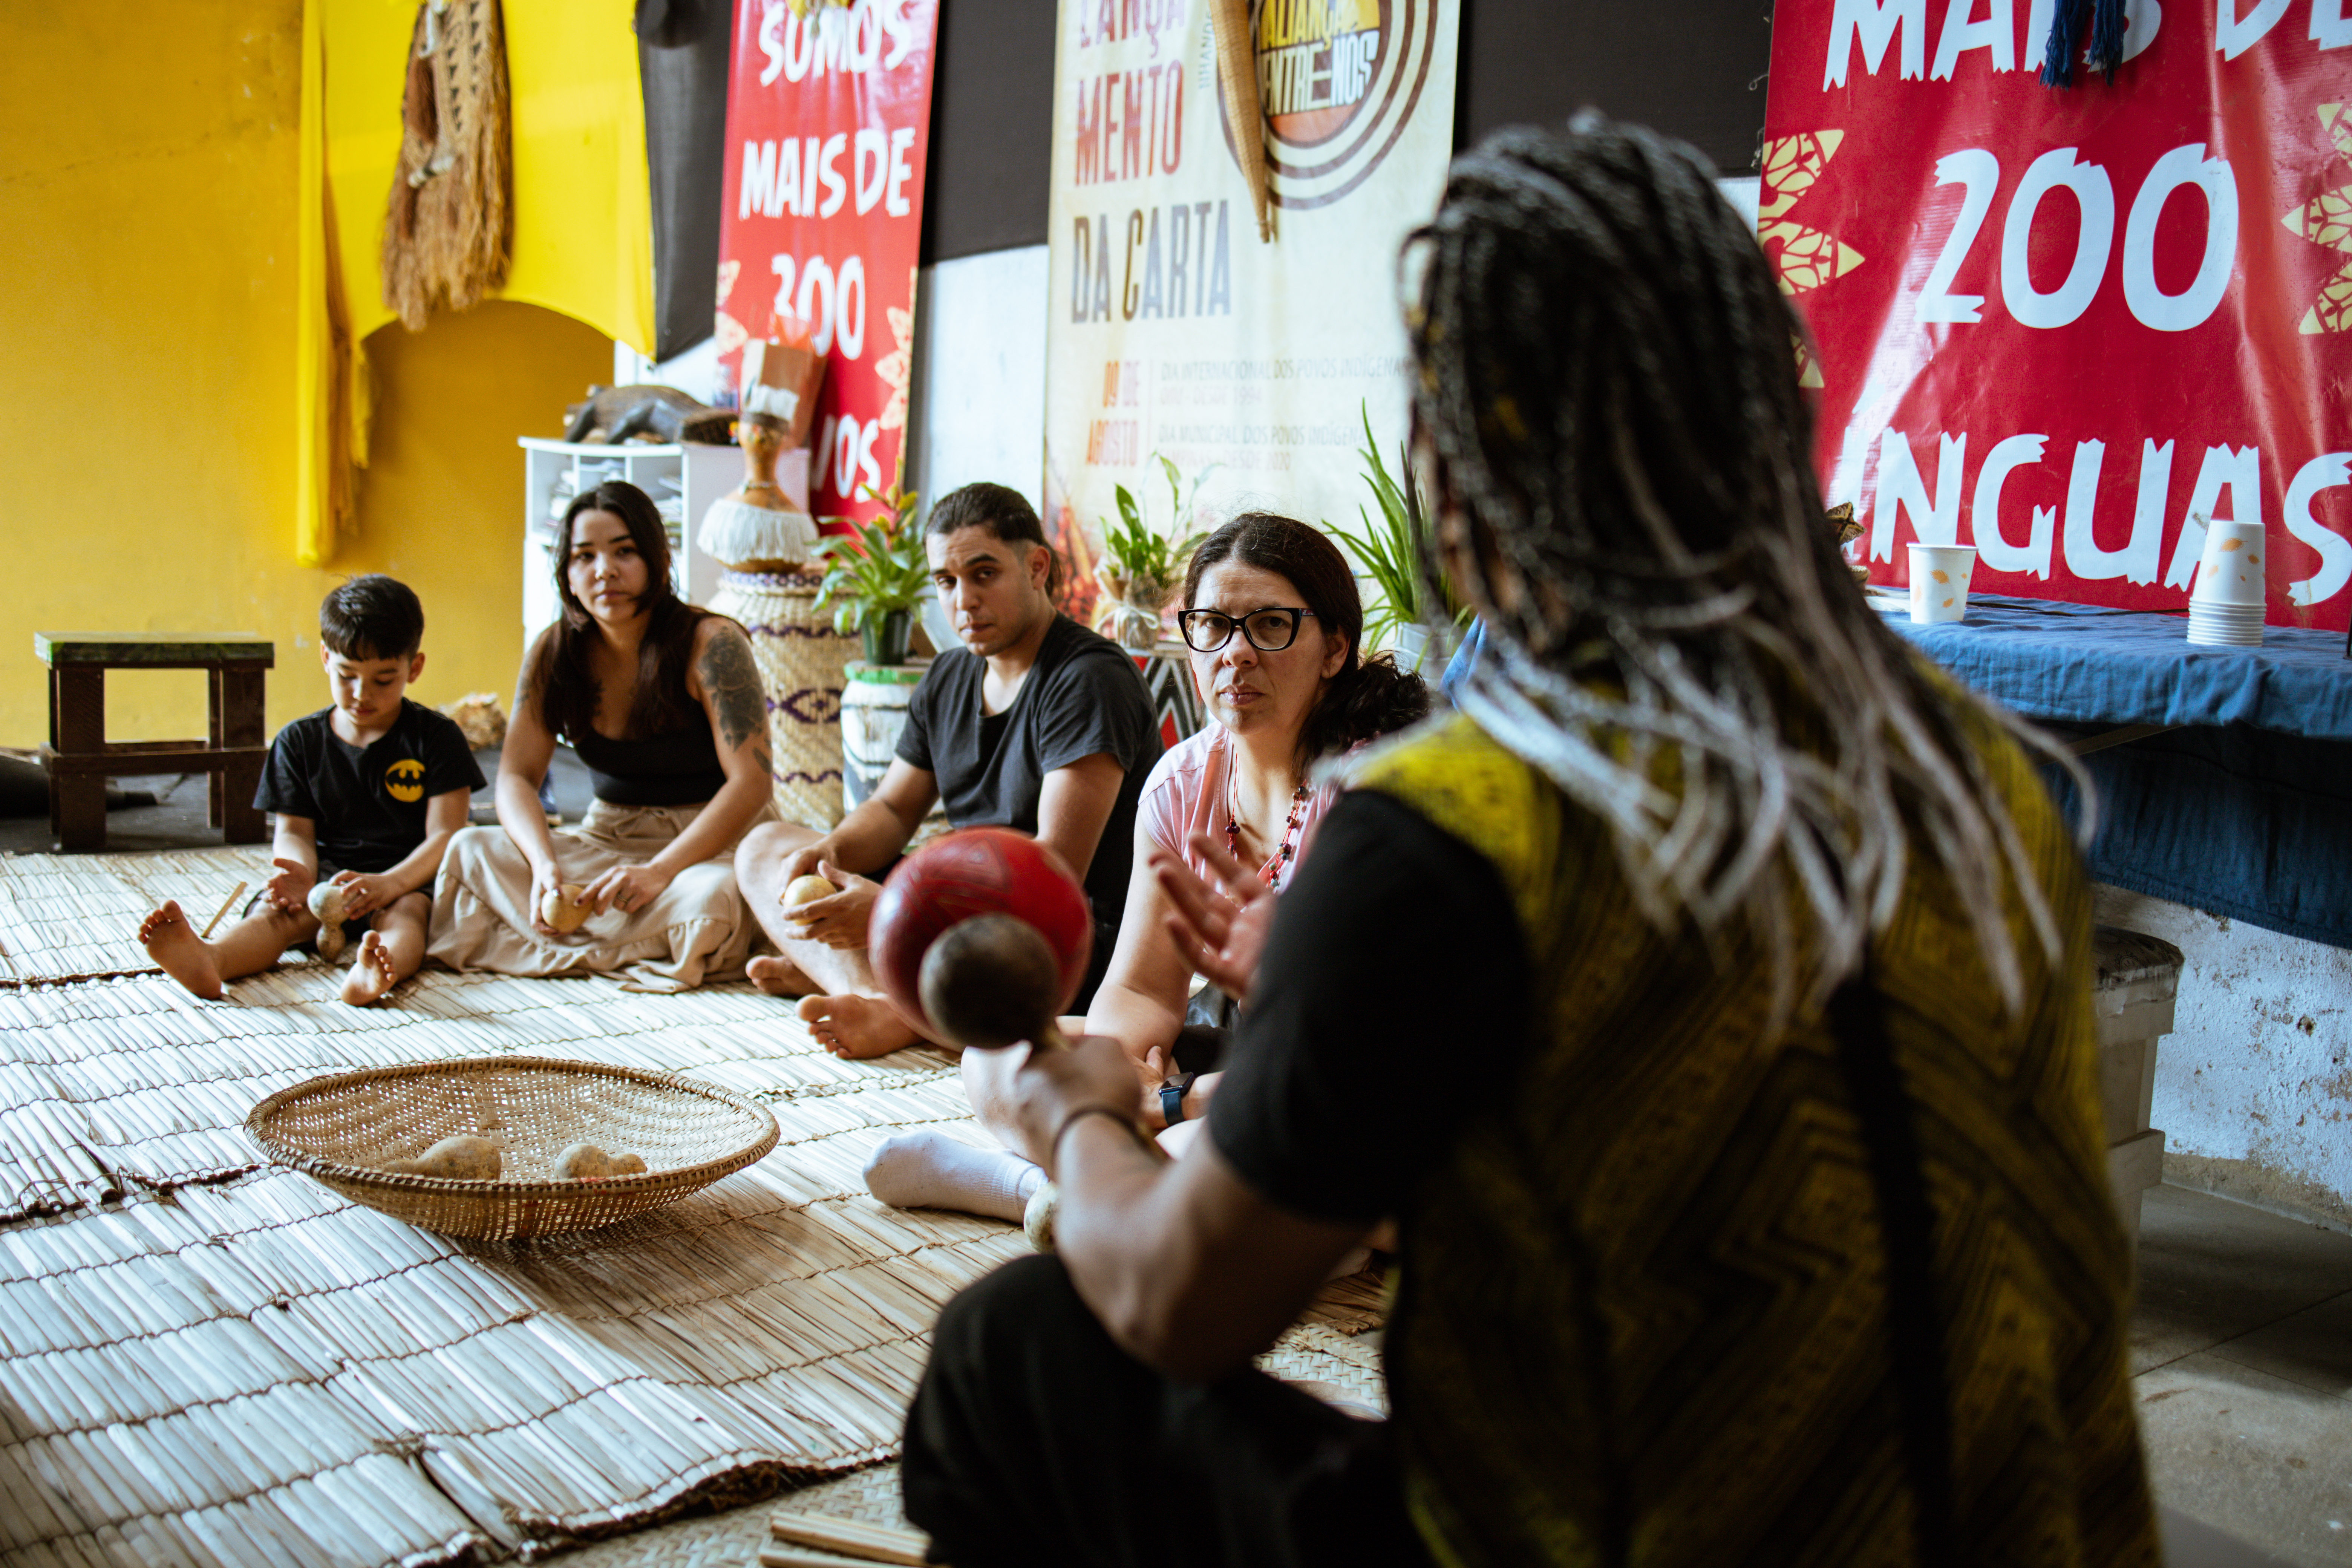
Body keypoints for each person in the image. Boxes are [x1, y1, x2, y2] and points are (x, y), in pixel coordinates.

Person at [898, 116, 2159, 1568]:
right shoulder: (1974, 772)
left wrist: (1065, 1112)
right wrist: (1325, 991)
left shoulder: (1456, 836)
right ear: (1768, 426)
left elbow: (1185, 1300)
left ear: (1457, 491)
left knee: (1015, 1343)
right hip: (2029, 1530)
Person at [864, 514, 1429, 1219]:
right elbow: (1140, 987)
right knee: (997, 1061)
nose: (1236, 653)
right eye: (1213, 626)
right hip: (1242, 1061)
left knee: (1302, 1141)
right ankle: (1125, 1194)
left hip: (1358, 1078)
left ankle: (1034, 1192)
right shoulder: (1181, 780)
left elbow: (1371, 1047)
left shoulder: (1378, 788)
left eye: (1272, 626)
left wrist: (1172, 1101)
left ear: (1334, 648)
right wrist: (1122, 1075)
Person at [733, 481, 1163, 1058]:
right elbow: (891, 810)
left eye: (984, 574)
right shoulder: (947, 678)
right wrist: (831, 852)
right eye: (946, 581)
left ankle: (888, 998)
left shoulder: (1088, 679)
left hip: (1060, 941)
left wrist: (891, 914)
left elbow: (1054, 873)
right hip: (962, 913)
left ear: (1037, 567)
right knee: (764, 847)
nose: (963, 599)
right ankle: (872, 994)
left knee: (950, 923)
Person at [428, 481, 777, 992]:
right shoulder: (554, 650)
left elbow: (752, 784)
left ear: (658, 558)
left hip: (709, 849)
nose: (604, 571)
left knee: (716, 897)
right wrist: (544, 866)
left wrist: (660, 872)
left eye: (624, 552)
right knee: (469, 850)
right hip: (607, 841)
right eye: (583, 557)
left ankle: (580, 942)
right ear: (565, 572)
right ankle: (632, 944)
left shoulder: (712, 642)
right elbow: (516, 778)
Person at [139, 576, 483, 1006]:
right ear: (325, 657)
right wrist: (299, 874)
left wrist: (390, 883)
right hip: (327, 877)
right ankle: (213, 959)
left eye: (384, 679)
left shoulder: (437, 737)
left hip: (408, 879)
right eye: (347, 675)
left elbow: (446, 835)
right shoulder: (298, 741)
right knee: (275, 914)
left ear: (414, 668)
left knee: (408, 920)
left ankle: (373, 971)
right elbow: (295, 831)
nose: (362, 694)